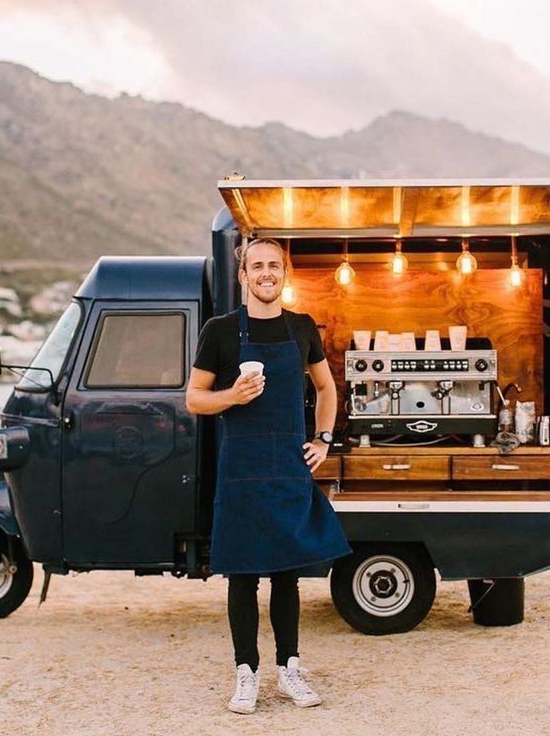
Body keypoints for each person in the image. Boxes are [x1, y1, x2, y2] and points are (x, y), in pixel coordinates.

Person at [186, 238, 352, 714]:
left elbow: (326, 386)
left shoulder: (301, 328)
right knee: (242, 576)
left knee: (286, 576)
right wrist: (232, 397)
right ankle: (246, 674)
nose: (265, 273)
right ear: (243, 276)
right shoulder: (219, 332)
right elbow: (195, 399)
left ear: (284, 273)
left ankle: (290, 669)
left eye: (273, 266)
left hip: (287, 469)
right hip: (240, 471)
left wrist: (322, 438)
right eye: (256, 266)